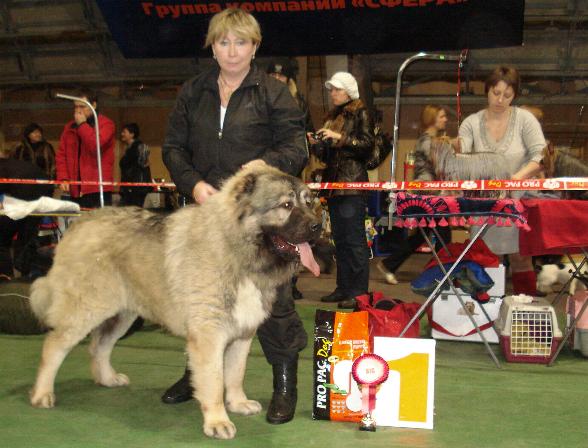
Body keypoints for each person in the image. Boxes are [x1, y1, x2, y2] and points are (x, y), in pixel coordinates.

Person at [161, 8, 308, 425]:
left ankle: (284, 384)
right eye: (223, 42)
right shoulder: (193, 92)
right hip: (206, 217)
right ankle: (195, 377)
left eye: (240, 42)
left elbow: (297, 147)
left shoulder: (274, 93)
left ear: (255, 46)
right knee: (204, 303)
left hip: (262, 223)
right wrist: (193, 184)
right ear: (212, 46)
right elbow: (173, 148)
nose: (231, 51)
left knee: (274, 304)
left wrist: (265, 163)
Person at [458, 65, 546, 295]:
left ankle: (524, 319)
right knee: (487, 261)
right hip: (484, 205)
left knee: (521, 260)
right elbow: (463, 157)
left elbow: (541, 154)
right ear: (486, 90)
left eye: (507, 95)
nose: (500, 99)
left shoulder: (525, 120)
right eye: (495, 93)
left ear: (514, 95)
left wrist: (516, 179)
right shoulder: (470, 123)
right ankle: (488, 318)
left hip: (518, 204)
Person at [310, 72, 373, 308]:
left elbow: (367, 145)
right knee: (341, 240)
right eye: (332, 89)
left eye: (337, 89)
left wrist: (339, 136)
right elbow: (329, 156)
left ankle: (358, 294)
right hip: (335, 186)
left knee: (354, 241)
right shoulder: (333, 116)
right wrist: (318, 145)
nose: (333, 93)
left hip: (352, 185)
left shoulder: (361, 112)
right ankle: (344, 288)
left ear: (348, 91)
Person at [377, 105, 453, 284]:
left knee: (422, 235)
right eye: (441, 116)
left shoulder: (429, 140)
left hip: (429, 193)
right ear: (433, 118)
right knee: (443, 235)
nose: (445, 119)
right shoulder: (428, 142)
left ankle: (390, 264)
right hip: (430, 195)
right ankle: (444, 274)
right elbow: (440, 165)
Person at [266, 57, 314, 300]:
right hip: (266, 175)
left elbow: (303, 140)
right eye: (273, 76)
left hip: (290, 174)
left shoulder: (297, 103)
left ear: (289, 79)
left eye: (281, 76)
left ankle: (290, 281)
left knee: (294, 230)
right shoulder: (261, 98)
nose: (277, 80)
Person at [55, 88, 115, 208]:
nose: (78, 111)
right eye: (76, 107)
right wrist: (63, 178)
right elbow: (62, 155)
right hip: (75, 190)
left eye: (82, 107)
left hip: (97, 189)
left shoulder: (106, 124)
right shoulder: (69, 128)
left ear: (94, 105)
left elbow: (95, 146)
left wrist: (82, 125)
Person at [0, 147, 53, 281]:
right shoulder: (12, 164)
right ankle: (26, 276)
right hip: (44, 188)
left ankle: (6, 278)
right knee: (27, 236)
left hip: (27, 192)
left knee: (2, 239)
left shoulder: (8, 168)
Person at [119, 123, 151, 207]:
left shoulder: (140, 147)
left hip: (137, 187)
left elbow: (144, 164)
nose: (122, 134)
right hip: (132, 186)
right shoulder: (129, 148)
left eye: (124, 132)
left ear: (132, 134)